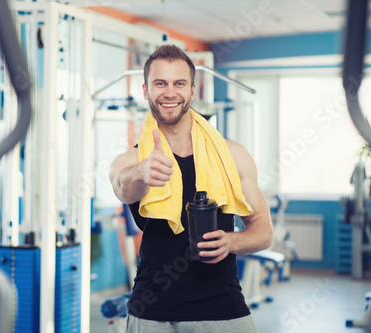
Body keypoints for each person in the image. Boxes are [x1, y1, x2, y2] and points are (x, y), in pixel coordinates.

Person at [109, 44, 273, 333]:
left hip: (223, 310)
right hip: (152, 313)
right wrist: (141, 173)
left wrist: (231, 242)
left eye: (179, 83)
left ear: (192, 90)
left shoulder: (232, 155)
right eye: (160, 83)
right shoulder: (132, 160)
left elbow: (264, 230)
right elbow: (122, 188)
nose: (170, 92)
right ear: (146, 91)